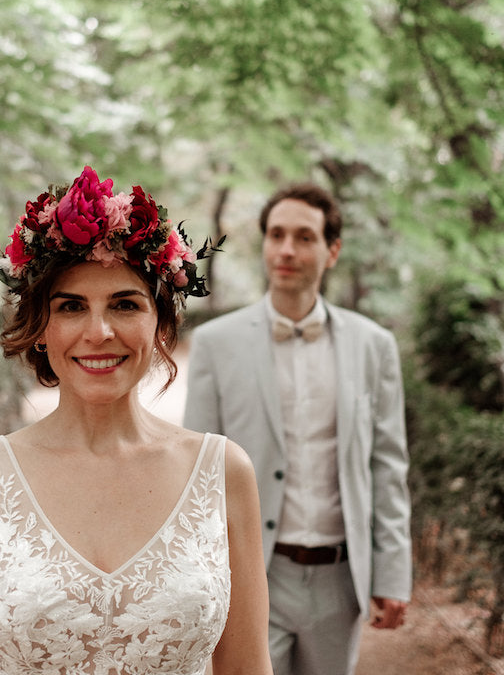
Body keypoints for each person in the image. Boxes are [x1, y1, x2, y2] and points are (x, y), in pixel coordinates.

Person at [0, 165, 272, 675]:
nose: (99, 331)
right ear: (40, 328)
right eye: (70, 307)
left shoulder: (223, 471)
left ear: (161, 326)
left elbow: (248, 669)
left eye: (125, 304)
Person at [183, 183, 412, 675]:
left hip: (339, 579)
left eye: (304, 237)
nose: (286, 250)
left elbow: (388, 465)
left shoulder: (375, 346)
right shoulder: (214, 344)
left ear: (332, 251)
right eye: (276, 235)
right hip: (250, 573)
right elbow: (197, 475)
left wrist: (392, 573)